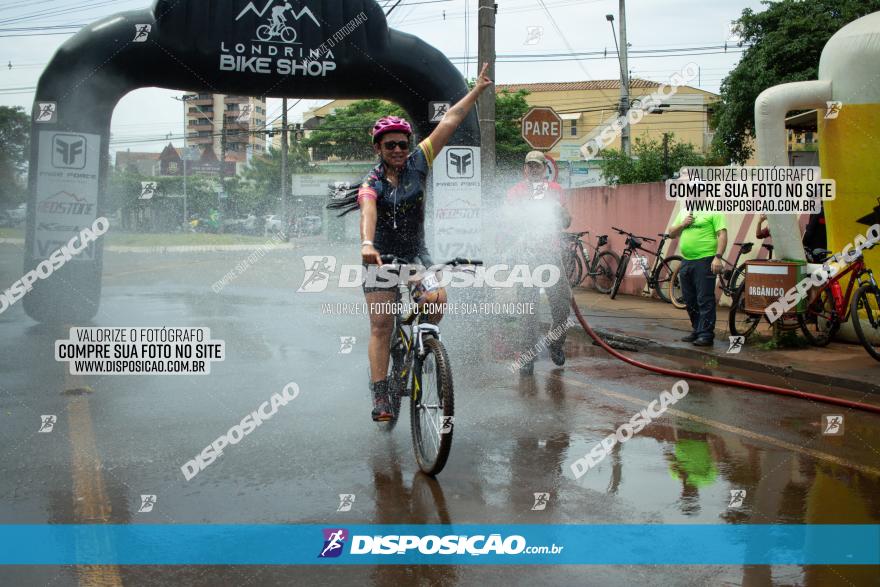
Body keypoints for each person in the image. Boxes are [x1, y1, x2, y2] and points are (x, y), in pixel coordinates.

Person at [330, 63, 494, 421]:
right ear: (378, 147)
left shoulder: (421, 160)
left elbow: (450, 119)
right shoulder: (371, 183)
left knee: (437, 298)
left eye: (403, 143)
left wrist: (477, 91)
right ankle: (381, 396)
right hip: (379, 259)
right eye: (391, 145)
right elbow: (367, 212)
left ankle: (422, 348)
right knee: (381, 325)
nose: (399, 149)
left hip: (416, 254)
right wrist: (366, 245)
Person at [505, 150, 572, 373]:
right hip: (525, 257)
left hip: (551, 256)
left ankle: (556, 344)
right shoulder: (515, 192)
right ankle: (527, 356)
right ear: (525, 169)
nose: (534, 170)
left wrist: (559, 213)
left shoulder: (556, 191)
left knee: (562, 305)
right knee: (528, 310)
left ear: (545, 169)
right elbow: (509, 222)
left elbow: (566, 222)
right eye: (530, 166)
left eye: (538, 166)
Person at [669, 210, 727, 346]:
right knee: (689, 299)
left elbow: (722, 234)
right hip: (686, 261)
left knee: (704, 298)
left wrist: (718, 257)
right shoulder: (683, 212)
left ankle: (706, 334)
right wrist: (683, 224)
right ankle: (697, 329)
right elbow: (671, 233)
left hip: (705, 260)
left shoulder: (714, 210)